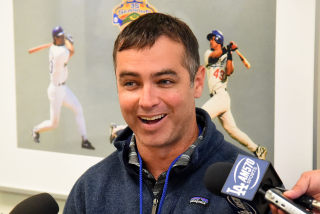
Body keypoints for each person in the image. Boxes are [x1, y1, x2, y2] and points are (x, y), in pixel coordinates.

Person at [63, 13, 253, 213]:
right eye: (131, 83)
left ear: (197, 83)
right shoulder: (90, 189)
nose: (147, 101)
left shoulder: (249, 184)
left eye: (165, 81)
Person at [201, 30, 267, 160]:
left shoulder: (226, 55)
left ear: (218, 39)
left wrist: (230, 53)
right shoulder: (209, 53)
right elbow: (214, 57)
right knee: (232, 130)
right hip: (217, 98)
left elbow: (229, 71)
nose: (210, 41)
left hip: (221, 96)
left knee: (199, 117)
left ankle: (199, 151)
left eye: (212, 39)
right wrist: (227, 48)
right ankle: (257, 149)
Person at [31, 26, 95, 150]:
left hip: (63, 89)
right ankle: (36, 130)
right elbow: (71, 51)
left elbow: (67, 51)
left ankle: (84, 140)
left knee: (78, 108)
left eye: (62, 36)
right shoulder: (59, 52)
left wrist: (65, 41)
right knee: (54, 124)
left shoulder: (55, 48)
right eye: (60, 36)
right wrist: (69, 42)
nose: (63, 37)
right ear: (55, 38)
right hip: (55, 91)